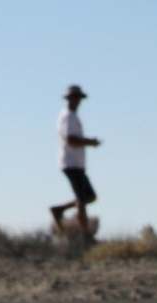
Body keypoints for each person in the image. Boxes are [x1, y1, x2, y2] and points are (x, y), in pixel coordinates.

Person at [51, 84, 100, 240]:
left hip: (77, 163)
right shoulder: (67, 117)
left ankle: (59, 210)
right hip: (70, 163)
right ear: (69, 99)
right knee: (81, 199)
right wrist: (89, 142)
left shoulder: (73, 116)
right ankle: (86, 236)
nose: (77, 101)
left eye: (78, 98)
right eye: (75, 98)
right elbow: (71, 140)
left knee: (89, 196)